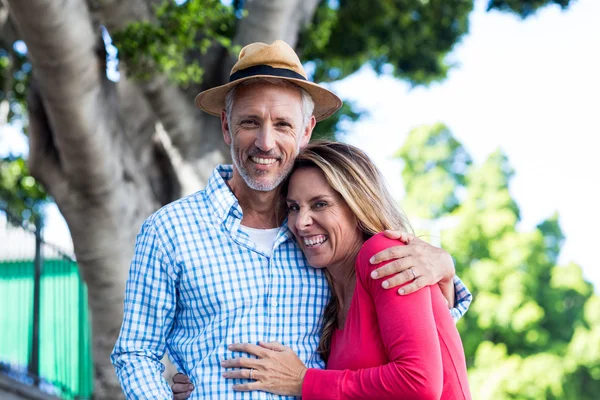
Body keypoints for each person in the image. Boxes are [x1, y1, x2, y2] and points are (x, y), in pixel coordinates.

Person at [111, 40, 471, 399]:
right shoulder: (170, 230)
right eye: (250, 122)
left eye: (283, 124)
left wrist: (445, 272)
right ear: (226, 126)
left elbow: (406, 337)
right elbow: (136, 352)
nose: (265, 142)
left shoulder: (329, 238)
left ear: (306, 130)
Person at [218, 140, 472, 399]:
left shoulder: (384, 254)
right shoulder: (330, 293)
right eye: (294, 207)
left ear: (356, 205)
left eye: (320, 204)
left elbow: (420, 383)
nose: (301, 222)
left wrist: (303, 381)